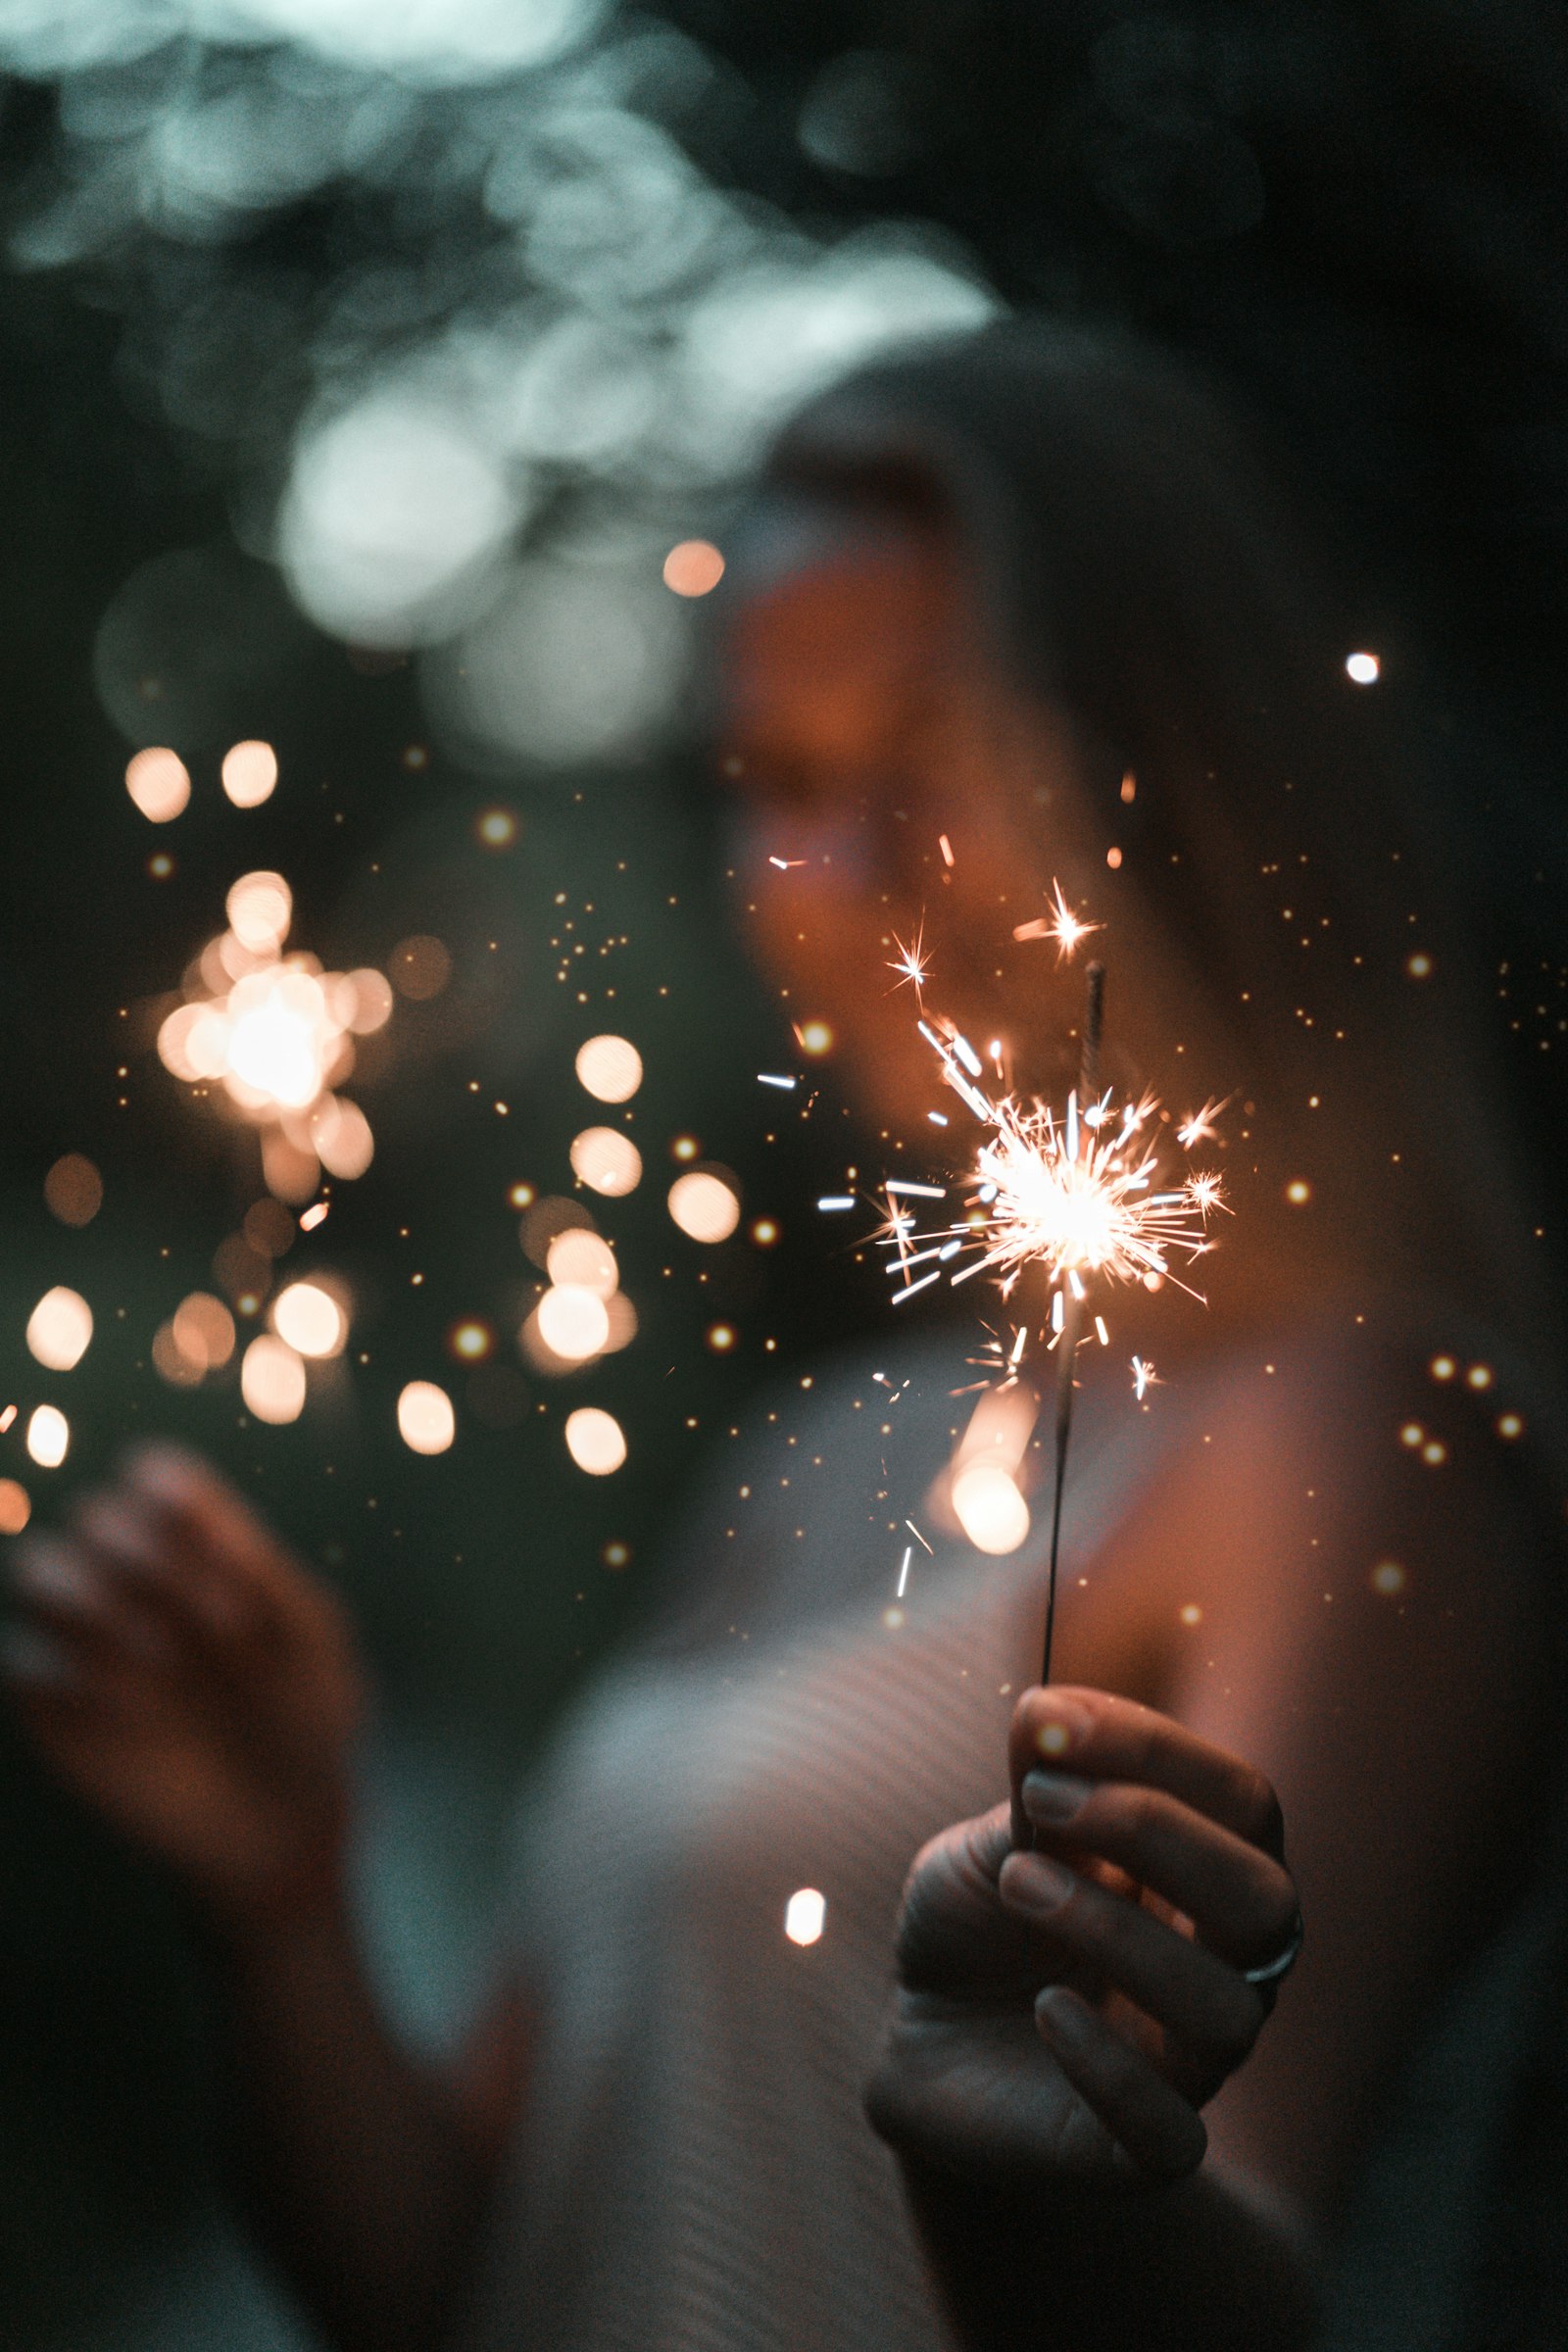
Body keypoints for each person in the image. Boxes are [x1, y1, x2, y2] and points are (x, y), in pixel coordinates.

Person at [4, 322, 1561, 2352]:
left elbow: (1248, 2267)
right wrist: (280, 1889)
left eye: (919, 760)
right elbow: (443, 2274)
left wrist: (1040, 2194)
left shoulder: (1352, 1443)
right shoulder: (811, 1453)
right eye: (773, 783)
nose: (824, 881)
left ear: (1166, 772)